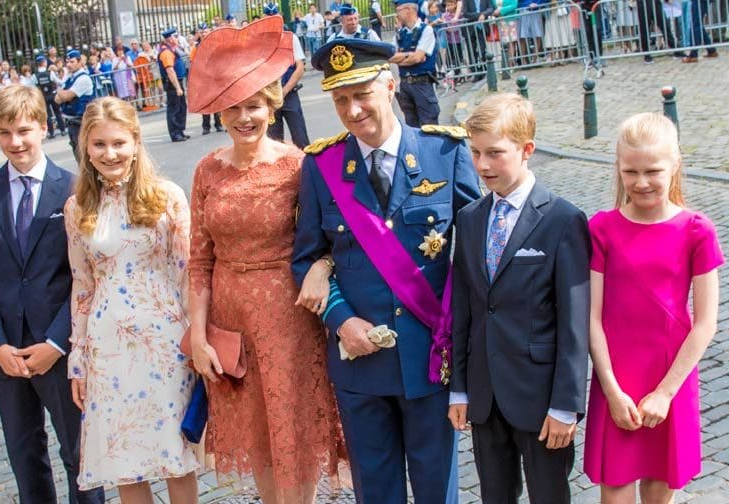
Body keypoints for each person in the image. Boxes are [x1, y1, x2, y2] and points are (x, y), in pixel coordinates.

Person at [294, 38, 481, 503]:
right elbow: (305, 257)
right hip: (361, 365)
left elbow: (479, 252)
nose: (353, 110)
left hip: (429, 359)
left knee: (437, 489)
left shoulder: (445, 153)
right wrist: (341, 320)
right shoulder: (322, 166)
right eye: (340, 99)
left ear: (391, 86)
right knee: (376, 493)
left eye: (362, 94)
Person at [187, 17, 345, 504]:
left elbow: (330, 239)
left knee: (293, 433)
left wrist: (322, 268)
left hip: (290, 321)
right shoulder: (206, 170)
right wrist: (197, 337)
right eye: (232, 108)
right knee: (258, 437)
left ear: (272, 106)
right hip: (231, 323)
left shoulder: (298, 166)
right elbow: (198, 261)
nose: (244, 118)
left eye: (253, 105)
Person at [0, 85, 105, 504]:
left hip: (58, 346)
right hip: (7, 351)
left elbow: (86, 276)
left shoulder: (75, 189)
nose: (15, 142)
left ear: (42, 127)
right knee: (24, 454)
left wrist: (58, 343)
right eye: (4, 133)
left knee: (79, 454)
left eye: (23, 130)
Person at [448, 93, 590, 503]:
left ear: (527, 150)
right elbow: (467, 309)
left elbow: (574, 320)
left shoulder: (563, 219)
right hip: (485, 393)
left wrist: (566, 404)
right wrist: (460, 388)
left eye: (495, 153)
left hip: (540, 395)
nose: (482, 165)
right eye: (474, 152)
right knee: (496, 494)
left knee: (548, 494)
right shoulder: (471, 218)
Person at [64, 96, 199, 502]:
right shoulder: (77, 208)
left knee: (176, 453)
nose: (110, 153)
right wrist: (78, 357)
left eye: (119, 143)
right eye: (100, 144)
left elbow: (189, 273)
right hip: (108, 347)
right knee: (124, 460)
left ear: (136, 143)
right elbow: (82, 284)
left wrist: (198, 339)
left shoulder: (168, 196)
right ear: (86, 148)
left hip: (167, 343)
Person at [583, 113, 724, 502]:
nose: (641, 182)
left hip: (670, 376)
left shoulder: (697, 230)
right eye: (631, 171)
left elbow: (706, 322)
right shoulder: (602, 229)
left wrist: (665, 392)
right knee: (614, 491)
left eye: (652, 171)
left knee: (660, 489)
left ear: (675, 164)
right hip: (617, 376)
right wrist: (610, 388)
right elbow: (592, 318)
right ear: (619, 168)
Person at [263, 3, 311, 149]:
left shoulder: (291, 38)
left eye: (275, 18)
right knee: (274, 142)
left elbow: (300, 67)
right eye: (269, 18)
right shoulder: (260, 41)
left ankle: (307, 169)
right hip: (269, 97)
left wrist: (284, 91)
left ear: (281, 18)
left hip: (289, 94)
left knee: (301, 139)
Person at [390, 0, 440, 127]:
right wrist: (410, 56)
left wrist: (401, 59)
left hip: (422, 83)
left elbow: (417, 58)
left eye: (398, 11)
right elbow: (390, 57)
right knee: (411, 127)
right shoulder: (399, 34)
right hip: (405, 85)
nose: (397, 15)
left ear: (409, 10)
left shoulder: (426, 30)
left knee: (429, 126)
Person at [55, 49, 95, 161]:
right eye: (67, 62)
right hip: (72, 122)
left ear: (79, 62)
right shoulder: (70, 78)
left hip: (81, 121)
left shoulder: (83, 78)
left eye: (72, 62)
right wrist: (62, 93)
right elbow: (57, 99)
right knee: (79, 156)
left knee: (84, 157)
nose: (68, 65)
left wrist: (60, 91)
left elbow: (66, 96)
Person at [159, 27, 190, 142]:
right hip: (172, 83)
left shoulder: (172, 49)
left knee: (181, 106)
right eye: (175, 36)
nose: (177, 38)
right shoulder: (166, 52)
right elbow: (170, 70)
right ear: (170, 39)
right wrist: (177, 87)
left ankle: (180, 131)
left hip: (177, 81)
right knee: (174, 109)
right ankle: (175, 133)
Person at [34, 55, 67, 139]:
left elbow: (34, 87)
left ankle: (51, 133)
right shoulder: (50, 73)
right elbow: (59, 82)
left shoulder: (35, 75)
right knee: (57, 112)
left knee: (47, 115)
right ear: (44, 63)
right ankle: (63, 130)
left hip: (43, 96)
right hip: (52, 94)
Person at [461, 0, 494, 79]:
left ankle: (483, 67)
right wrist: (478, 15)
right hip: (470, 28)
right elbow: (465, 13)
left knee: (482, 49)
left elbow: (490, 8)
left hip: (482, 27)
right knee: (471, 51)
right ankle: (476, 72)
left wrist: (483, 14)